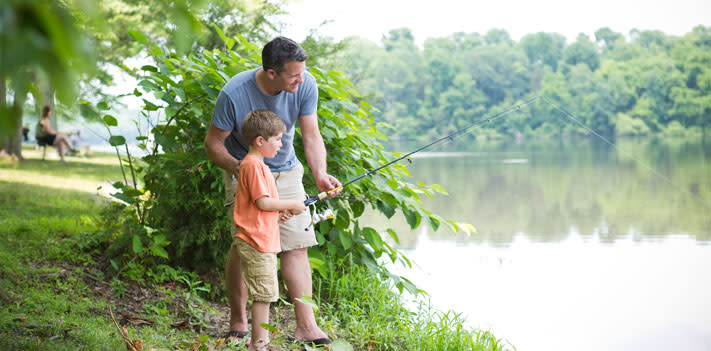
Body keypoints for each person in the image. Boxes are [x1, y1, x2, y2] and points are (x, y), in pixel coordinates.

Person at [204, 36, 341, 347]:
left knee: (296, 243)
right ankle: (239, 320)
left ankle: (306, 325)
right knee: (247, 244)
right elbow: (213, 144)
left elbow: (311, 133)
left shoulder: (305, 84)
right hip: (246, 168)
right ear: (271, 73)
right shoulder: (234, 94)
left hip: (287, 168)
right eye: (293, 75)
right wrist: (240, 169)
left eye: (302, 73)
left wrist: (320, 174)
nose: (301, 80)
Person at [232, 109, 307, 351]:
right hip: (256, 240)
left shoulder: (259, 165)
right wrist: (293, 204)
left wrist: (280, 212)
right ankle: (259, 345)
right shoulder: (253, 166)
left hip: (262, 238)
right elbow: (263, 203)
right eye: (277, 139)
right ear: (260, 141)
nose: (282, 143)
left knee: (265, 292)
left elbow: (264, 206)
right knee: (263, 295)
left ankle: (260, 343)